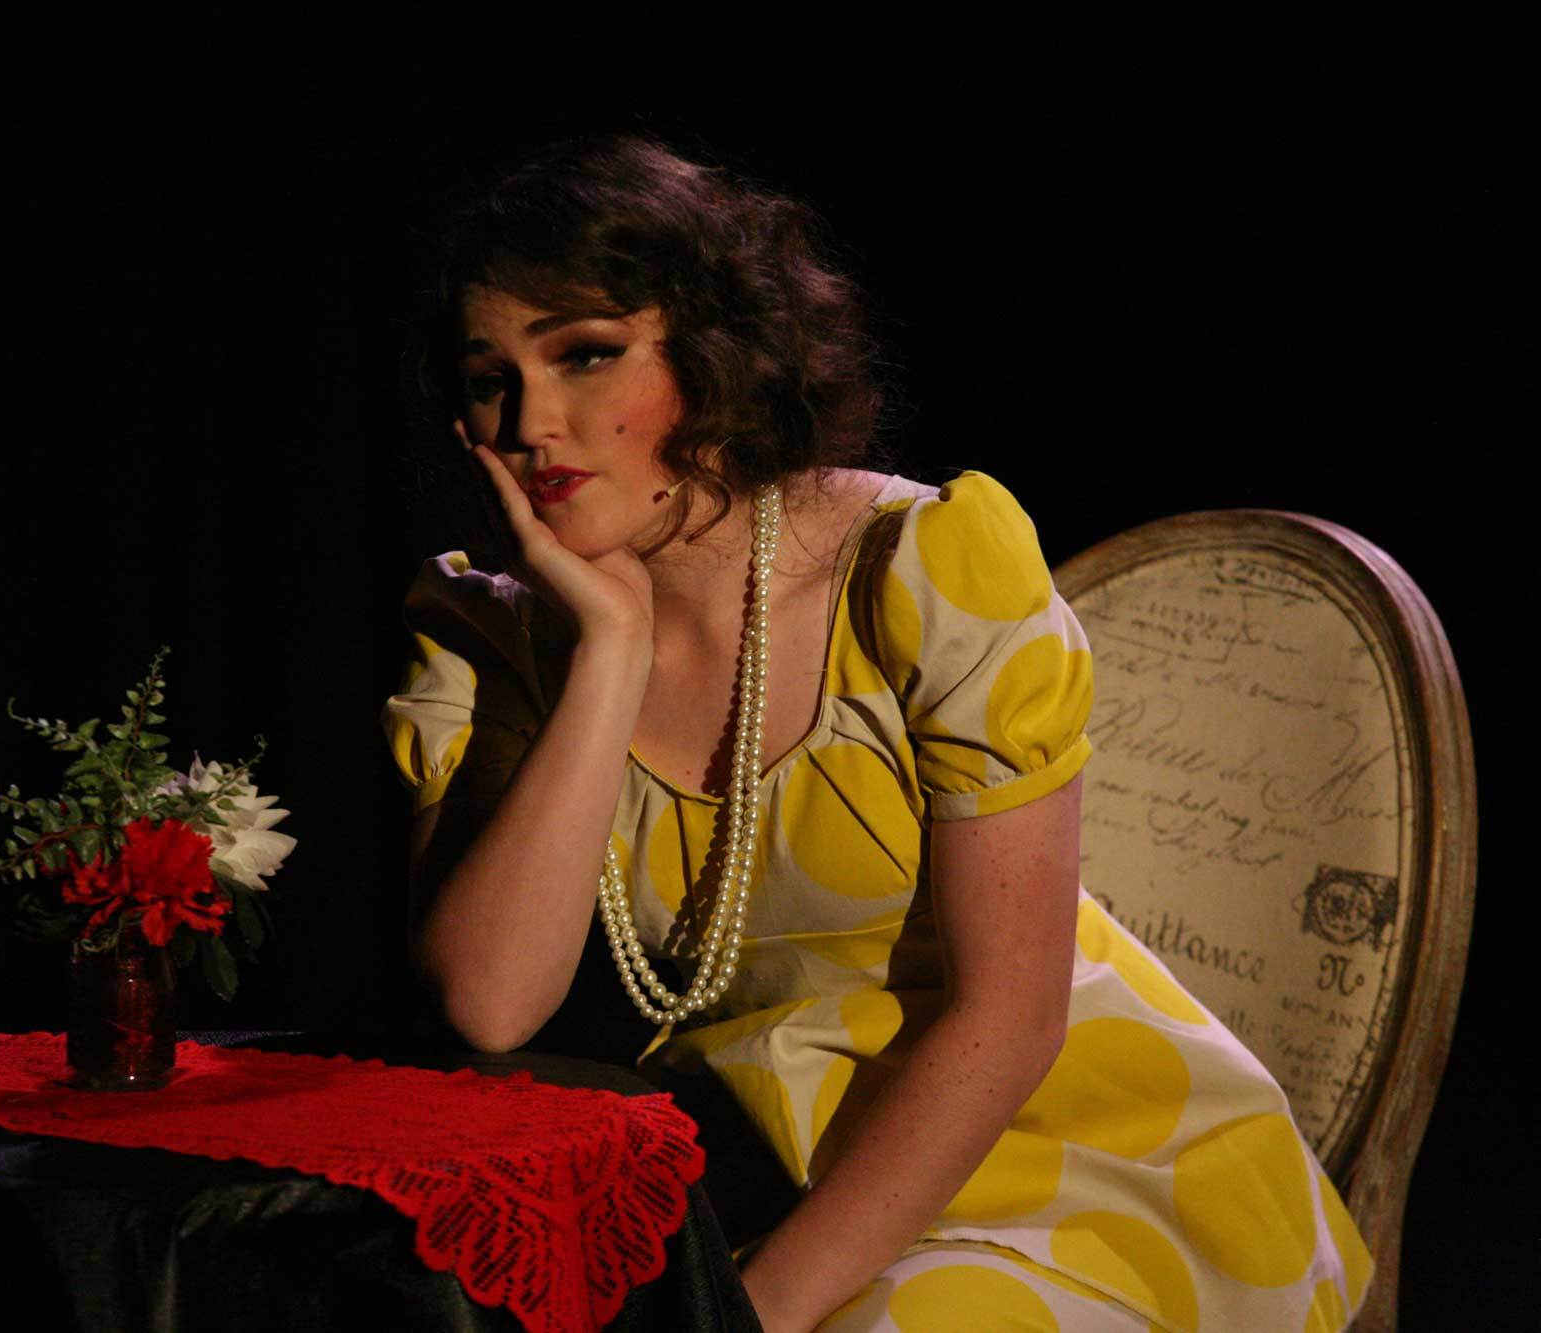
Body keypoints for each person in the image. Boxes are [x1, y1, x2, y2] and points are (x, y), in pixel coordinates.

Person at [381, 134, 1371, 1332]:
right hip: (767, 1174)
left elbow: (1009, 1020)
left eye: (585, 353)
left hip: (1072, 1161)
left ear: (713, 351)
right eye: (488, 378)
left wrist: (755, 1312)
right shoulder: (493, 637)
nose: (531, 421)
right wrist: (609, 654)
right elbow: (488, 1003)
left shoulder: (918, 570)